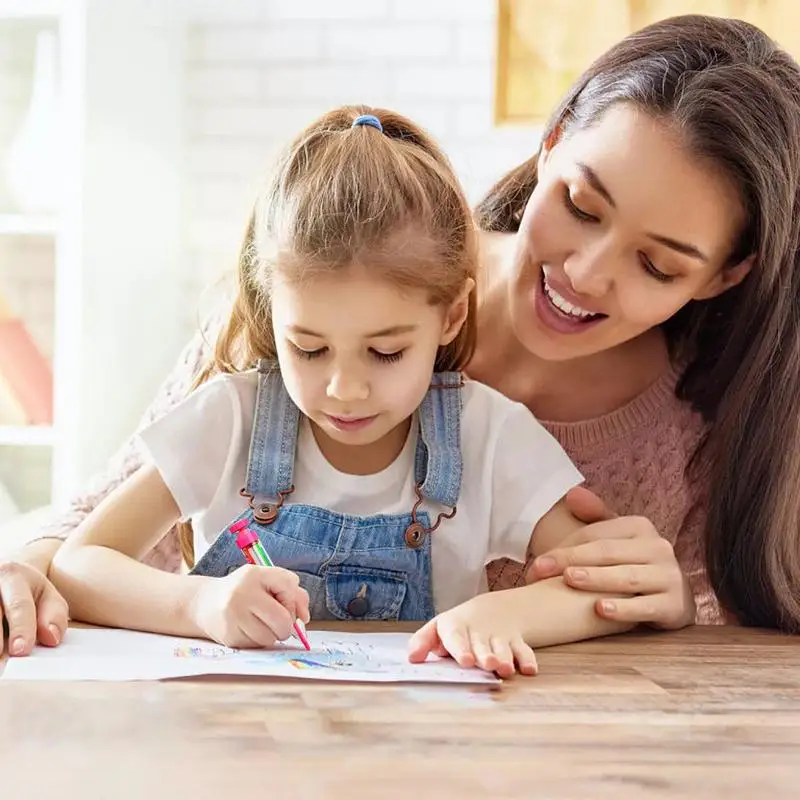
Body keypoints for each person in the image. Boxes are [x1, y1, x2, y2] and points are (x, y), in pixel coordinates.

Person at [7, 13, 800, 655]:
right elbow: (92, 531)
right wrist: (29, 565)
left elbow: (710, 642)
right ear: (552, 140)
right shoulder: (322, 284)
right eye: (582, 207)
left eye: (657, 266)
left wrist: (666, 607)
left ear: (724, 276)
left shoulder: (696, 428)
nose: (587, 273)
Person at [47, 105, 635, 678]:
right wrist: (197, 604)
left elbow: (604, 587)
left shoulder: (487, 434)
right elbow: (80, 564)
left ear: (452, 316)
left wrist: (505, 612)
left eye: (386, 352)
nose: (344, 389)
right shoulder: (232, 419)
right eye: (307, 348)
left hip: (420, 754)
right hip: (237, 750)